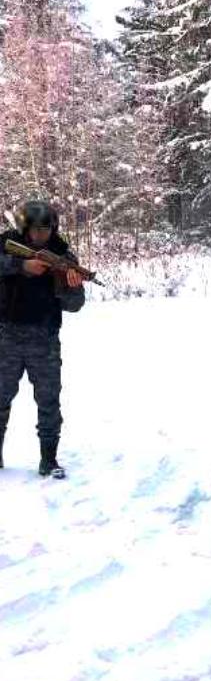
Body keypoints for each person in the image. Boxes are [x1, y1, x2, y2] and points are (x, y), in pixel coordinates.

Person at [0, 201, 86, 478]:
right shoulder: (7, 244)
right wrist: (21, 266)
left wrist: (69, 285)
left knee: (49, 402)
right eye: (36, 230)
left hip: (44, 339)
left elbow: (75, 305)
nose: (41, 236)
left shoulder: (61, 253)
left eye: (46, 230)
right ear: (24, 228)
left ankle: (48, 460)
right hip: (6, 337)